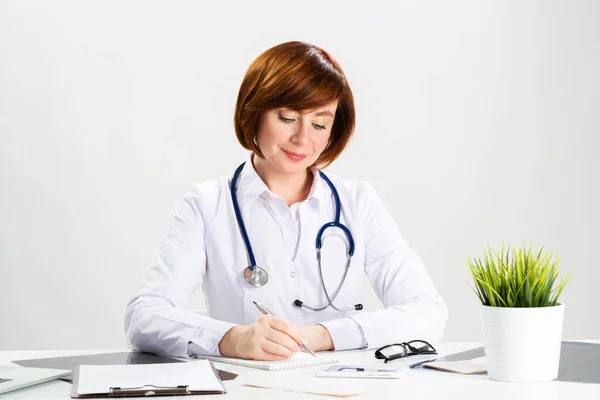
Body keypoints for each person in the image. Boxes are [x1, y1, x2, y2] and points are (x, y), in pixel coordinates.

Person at [124, 41, 447, 361]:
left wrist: (321, 336)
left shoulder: (357, 202)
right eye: (287, 118)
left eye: (320, 124)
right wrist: (232, 338)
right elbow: (144, 317)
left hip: (339, 388)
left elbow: (427, 312)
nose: (303, 138)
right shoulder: (206, 205)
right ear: (254, 111)